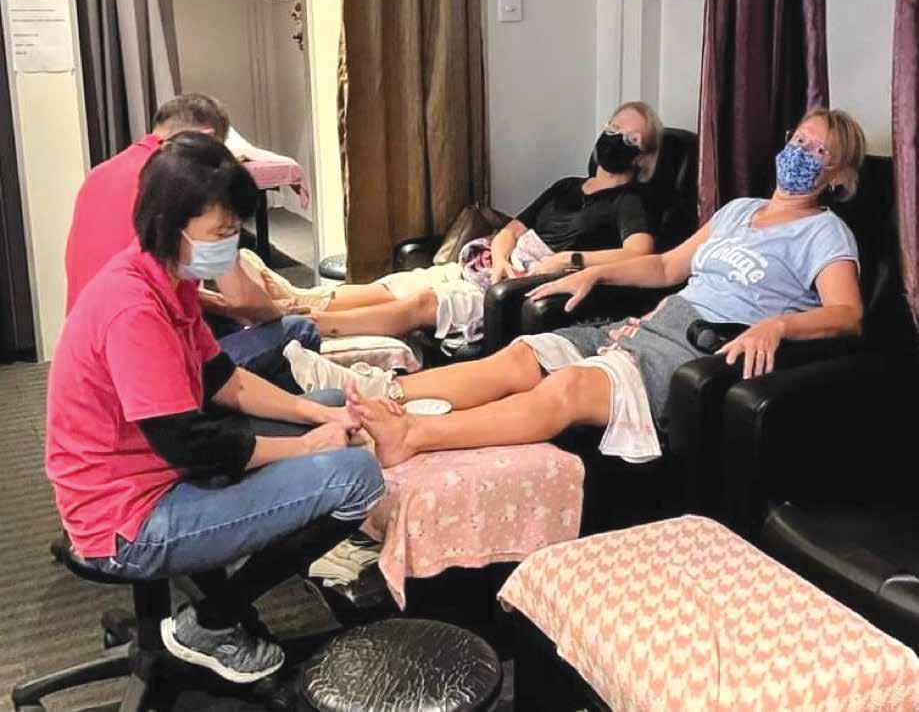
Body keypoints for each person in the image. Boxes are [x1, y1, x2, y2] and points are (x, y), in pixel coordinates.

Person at [296, 109, 866, 469]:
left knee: (567, 386)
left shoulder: (824, 233)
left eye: (818, 151)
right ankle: (378, 396)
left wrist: (779, 325)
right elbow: (666, 267)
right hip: (654, 321)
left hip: (703, 347)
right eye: (799, 139)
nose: (800, 154)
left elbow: (848, 314)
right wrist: (596, 272)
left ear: (838, 175)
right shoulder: (739, 210)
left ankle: (414, 435)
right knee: (521, 356)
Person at [46, 132, 385, 683]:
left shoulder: (166, 277)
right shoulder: (133, 309)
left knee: (323, 403)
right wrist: (306, 448)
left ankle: (217, 604)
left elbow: (224, 381)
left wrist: (320, 418)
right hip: (127, 519)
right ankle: (212, 621)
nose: (230, 245)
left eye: (234, 231)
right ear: (171, 224)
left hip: (153, 472)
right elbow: (192, 444)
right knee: (357, 477)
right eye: (221, 233)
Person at [250, 101, 664, 344]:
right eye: (614, 128)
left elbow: (640, 253)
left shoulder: (630, 201)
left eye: (631, 138)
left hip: (526, 284)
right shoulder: (566, 186)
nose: (616, 138)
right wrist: (500, 261)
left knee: (420, 304)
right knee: (398, 285)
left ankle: (308, 325)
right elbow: (510, 231)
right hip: (495, 267)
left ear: (644, 157)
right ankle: (296, 300)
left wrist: (567, 261)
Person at [64, 93, 318, 386]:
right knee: (298, 330)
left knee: (228, 323)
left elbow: (175, 292)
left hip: (87, 351)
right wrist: (277, 310)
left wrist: (224, 305)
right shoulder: (181, 184)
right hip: (136, 358)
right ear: (205, 139)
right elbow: (243, 299)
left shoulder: (99, 175)